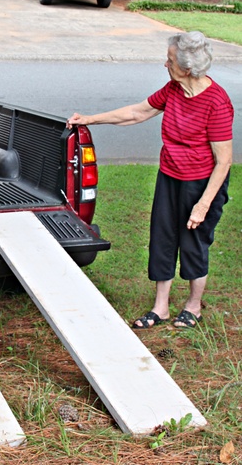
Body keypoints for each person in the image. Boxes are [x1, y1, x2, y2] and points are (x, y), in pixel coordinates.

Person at [66, 31, 233, 329]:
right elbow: (136, 112)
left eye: (169, 60)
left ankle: (193, 306)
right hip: (169, 176)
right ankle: (161, 308)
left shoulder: (216, 102)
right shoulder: (173, 90)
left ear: (187, 66)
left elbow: (224, 162)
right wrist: (89, 119)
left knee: (193, 243)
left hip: (201, 183)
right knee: (163, 239)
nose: (164, 64)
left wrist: (203, 204)